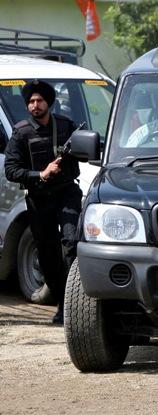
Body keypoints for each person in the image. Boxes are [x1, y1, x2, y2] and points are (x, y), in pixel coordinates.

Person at [4, 80, 82, 325]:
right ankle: (61, 304)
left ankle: (74, 303)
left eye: (39, 100)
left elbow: (84, 154)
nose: (34, 105)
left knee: (71, 244)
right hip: (39, 198)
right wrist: (40, 174)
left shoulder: (66, 126)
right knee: (47, 254)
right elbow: (11, 170)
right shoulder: (21, 132)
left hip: (66, 194)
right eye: (30, 101)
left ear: (49, 102)